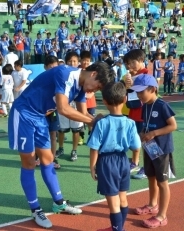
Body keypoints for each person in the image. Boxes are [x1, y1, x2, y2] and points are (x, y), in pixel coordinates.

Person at [8, 61, 114, 228]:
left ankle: (59, 202)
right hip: (24, 114)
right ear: (93, 74)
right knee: (28, 162)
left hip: (41, 117)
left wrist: (99, 126)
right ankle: (35, 209)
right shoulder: (65, 74)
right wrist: (94, 122)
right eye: (97, 86)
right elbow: (63, 108)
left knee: (48, 159)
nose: (95, 91)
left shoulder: (81, 85)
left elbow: (83, 113)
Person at [87, 82, 141, 231]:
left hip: (107, 162)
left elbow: (94, 148)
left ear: (104, 101)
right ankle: (118, 227)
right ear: (125, 99)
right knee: (122, 198)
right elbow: (136, 147)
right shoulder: (130, 122)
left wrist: (92, 167)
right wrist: (135, 162)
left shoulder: (102, 123)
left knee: (113, 203)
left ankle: (117, 229)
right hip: (123, 160)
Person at [131, 74, 177, 229]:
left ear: (152, 89)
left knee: (162, 182)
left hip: (162, 149)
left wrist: (154, 134)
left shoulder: (162, 105)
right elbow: (147, 124)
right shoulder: (145, 106)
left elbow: (173, 126)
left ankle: (162, 216)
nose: (138, 95)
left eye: (141, 91)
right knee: (150, 177)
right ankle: (152, 205)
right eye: (136, 92)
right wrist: (143, 134)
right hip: (150, 148)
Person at [122, 49, 147, 178]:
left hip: (144, 114)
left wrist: (132, 85)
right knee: (136, 139)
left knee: (145, 141)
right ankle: (135, 163)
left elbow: (148, 92)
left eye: (132, 62)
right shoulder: (132, 76)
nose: (130, 66)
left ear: (141, 61)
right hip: (133, 112)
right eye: (128, 63)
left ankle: (148, 167)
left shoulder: (146, 75)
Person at [56, 52, 84, 161]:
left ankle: (74, 150)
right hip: (63, 105)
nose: (72, 63)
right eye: (70, 61)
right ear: (66, 62)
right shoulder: (62, 74)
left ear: (78, 62)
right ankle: (61, 148)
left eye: (75, 61)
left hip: (76, 105)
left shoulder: (81, 75)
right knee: (61, 130)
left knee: (76, 130)